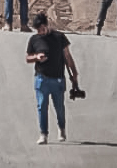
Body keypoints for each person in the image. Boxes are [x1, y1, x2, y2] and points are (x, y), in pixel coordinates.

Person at [25, 12, 79, 145]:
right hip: (41, 78)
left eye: (41, 29)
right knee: (41, 106)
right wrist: (36, 58)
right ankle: (43, 134)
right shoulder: (34, 39)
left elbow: (67, 57)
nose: (40, 32)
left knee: (59, 107)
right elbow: (27, 58)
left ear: (46, 25)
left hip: (57, 79)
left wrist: (74, 74)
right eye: (37, 30)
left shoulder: (59, 37)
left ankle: (61, 128)